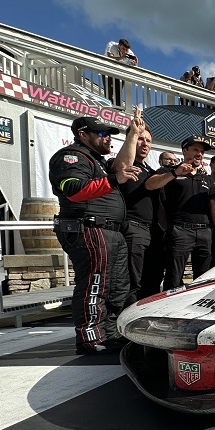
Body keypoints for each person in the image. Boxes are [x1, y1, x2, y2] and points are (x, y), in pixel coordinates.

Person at [49, 115, 140, 354]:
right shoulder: (71, 157)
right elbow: (74, 190)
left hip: (111, 232)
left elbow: (122, 166)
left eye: (108, 134)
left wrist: (133, 135)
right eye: (101, 133)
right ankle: (90, 338)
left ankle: (110, 334)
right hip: (89, 229)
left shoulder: (98, 160)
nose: (107, 137)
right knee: (95, 285)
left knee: (118, 287)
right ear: (82, 134)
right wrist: (114, 179)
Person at [145, 136, 215, 290]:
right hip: (180, 230)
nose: (199, 154)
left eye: (202, 151)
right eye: (195, 149)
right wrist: (175, 173)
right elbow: (149, 185)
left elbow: (214, 207)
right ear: (184, 151)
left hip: (205, 232)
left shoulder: (207, 179)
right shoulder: (169, 171)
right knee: (174, 278)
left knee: (203, 279)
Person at [109, 114, 164, 306]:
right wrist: (133, 133)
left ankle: (147, 314)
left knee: (153, 277)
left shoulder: (151, 171)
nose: (145, 143)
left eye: (148, 140)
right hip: (132, 228)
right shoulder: (124, 165)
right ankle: (129, 318)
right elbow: (121, 167)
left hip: (153, 230)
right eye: (141, 139)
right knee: (133, 279)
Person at [103, 38, 137, 105]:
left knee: (118, 92)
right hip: (107, 69)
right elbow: (110, 57)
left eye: (126, 50)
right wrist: (121, 58)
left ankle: (118, 108)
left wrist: (134, 64)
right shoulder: (111, 45)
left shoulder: (130, 52)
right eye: (123, 49)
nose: (125, 51)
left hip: (119, 72)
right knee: (109, 90)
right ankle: (109, 105)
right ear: (119, 45)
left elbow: (134, 62)